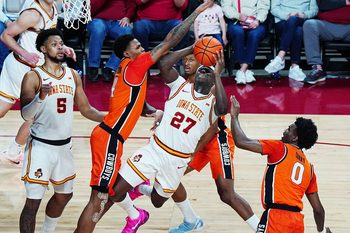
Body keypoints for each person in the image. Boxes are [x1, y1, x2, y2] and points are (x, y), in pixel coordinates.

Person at [74, 1, 214, 232]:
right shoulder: (137, 64)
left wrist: (152, 111)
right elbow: (169, 40)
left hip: (109, 137)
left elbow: (133, 103)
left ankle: (135, 214)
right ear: (127, 53)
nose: (143, 49)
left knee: (109, 193)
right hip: (109, 139)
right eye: (138, 46)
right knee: (98, 199)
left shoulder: (126, 68)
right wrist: (196, 15)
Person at [110, 45, 227, 232]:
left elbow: (223, 109)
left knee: (157, 201)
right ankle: (135, 215)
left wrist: (218, 75)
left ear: (213, 80)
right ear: (195, 76)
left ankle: (140, 188)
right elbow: (164, 63)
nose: (204, 72)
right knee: (114, 191)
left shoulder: (213, 104)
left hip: (177, 160)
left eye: (209, 72)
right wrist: (193, 47)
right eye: (202, 70)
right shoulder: (180, 86)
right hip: (154, 150)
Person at [142, 50, 258, 232]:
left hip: (216, 140)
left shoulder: (209, 84)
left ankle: (261, 228)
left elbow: (211, 129)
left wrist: (190, 153)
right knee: (169, 177)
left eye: (191, 60)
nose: (186, 63)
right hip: (193, 141)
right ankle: (191, 220)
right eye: (185, 60)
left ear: (202, 63)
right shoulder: (183, 83)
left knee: (226, 193)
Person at [19, 28, 105, 233]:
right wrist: (40, 97)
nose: (60, 47)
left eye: (61, 44)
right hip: (41, 148)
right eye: (54, 44)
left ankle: (46, 231)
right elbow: (25, 114)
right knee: (32, 204)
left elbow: (86, 109)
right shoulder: (33, 76)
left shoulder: (72, 75)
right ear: (42, 48)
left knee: (64, 195)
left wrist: (115, 117)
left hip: (64, 148)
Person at [229, 95, 332, 233]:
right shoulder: (309, 169)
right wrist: (322, 231)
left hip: (275, 219)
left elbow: (241, 141)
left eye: (289, 129)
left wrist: (234, 116)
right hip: (297, 223)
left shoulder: (280, 148)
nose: (284, 131)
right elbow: (318, 209)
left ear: (295, 138)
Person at [0, 0, 75, 166]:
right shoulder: (32, 14)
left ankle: (13, 151)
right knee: (37, 113)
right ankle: (14, 151)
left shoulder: (53, 8)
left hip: (25, 67)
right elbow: (5, 35)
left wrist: (64, 48)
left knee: (3, 109)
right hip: (22, 67)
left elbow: (47, 38)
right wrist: (25, 53)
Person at [264, 0, 318, 81]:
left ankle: (280, 57)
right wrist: (287, 16)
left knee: (294, 21)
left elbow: (314, 10)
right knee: (297, 31)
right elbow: (274, 8)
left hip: (301, 19)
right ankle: (294, 67)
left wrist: (304, 15)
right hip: (282, 20)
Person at [87, 0, 136, 82]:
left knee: (127, 32)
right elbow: (91, 10)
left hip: (119, 21)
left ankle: (111, 67)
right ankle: (93, 66)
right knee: (98, 30)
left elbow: (131, 5)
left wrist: (127, 17)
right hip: (98, 19)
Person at [222, 0, 269, 84]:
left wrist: (257, 20)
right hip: (236, 20)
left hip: (256, 20)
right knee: (238, 32)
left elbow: (263, 7)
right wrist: (238, 15)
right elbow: (226, 7)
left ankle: (242, 71)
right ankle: (245, 70)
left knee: (254, 35)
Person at [303, 0, 350, 85]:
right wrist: (345, 2)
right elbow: (323, 4)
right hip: (327, 25)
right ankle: (317, 69)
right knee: (309, 24)